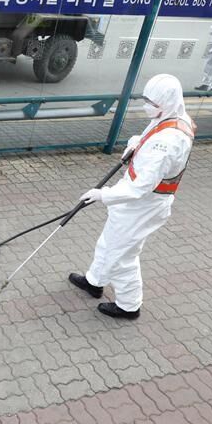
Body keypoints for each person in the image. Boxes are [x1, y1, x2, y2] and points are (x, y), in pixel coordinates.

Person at [68, 74, 195, 319]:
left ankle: (129, 305)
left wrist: (103, 195)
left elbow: (141, 187)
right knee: (110, 243)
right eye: (146, 100)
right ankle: (95, 281)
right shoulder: (172, 116)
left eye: (152, 103)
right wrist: (137, 143)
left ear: (166, 103)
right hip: (137, 201)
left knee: (122, 256)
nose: (147, 106)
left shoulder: (168, 142)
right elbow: (153, 133)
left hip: (143, 203)